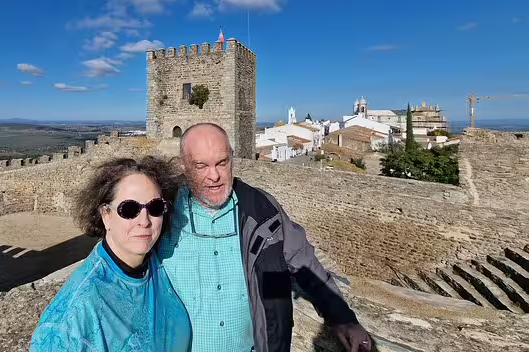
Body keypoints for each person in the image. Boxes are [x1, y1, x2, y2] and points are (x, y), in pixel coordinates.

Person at [157, 123, 372, 352]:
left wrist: (343, 319)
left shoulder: (262, 210)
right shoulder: (161, 212)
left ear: (232, 158)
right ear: (183, 165)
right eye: (201, 166)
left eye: (222, 163)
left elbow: (304, 264)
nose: (215, 176)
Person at [30, 157, 191, 352]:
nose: (145, 221)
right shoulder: (75, 316)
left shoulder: (154, 263)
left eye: (155, 207)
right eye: (129, 209)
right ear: (105, 215)